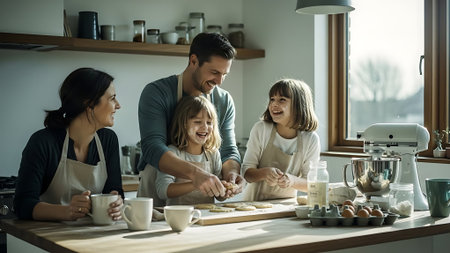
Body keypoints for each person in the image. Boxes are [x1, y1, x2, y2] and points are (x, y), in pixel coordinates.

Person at [137, 33, 244, 206]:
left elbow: (228, 151)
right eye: (214, 72)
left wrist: (232, 175)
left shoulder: (224, 101)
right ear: (193, 61)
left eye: (225, 74)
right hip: (156, 200)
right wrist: (196, 175)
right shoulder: (157, 92)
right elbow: (152, 147)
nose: (219, 81)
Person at [14, 68, 124, 221]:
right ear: (89, 103)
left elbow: (115, 190)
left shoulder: (108, 140)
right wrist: (67, 211)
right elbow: (22, 205)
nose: (118, 105)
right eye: (112, 98)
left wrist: (117, 202)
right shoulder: (43, 142)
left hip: (91, 234)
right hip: (45, 237)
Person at [241, 79, 321, 201]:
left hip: (285, 208)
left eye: (282, 100)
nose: (274, 104)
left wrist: (292, 180)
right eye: (272, 99)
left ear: (299, 105)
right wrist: (264, 173)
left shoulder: (310, 139)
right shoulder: (261, 129)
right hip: (253, 204)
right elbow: (247, 174)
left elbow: (311, 185)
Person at [152, 96, 230, 205]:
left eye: (209, 122)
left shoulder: (213, 154)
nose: (205, 127)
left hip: (207, 217)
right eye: (197, 122)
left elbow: (219, 197)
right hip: (179, 217)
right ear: (184, 124)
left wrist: (224, 191)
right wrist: (197, 183)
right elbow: (162, 190)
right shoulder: (173, 153)